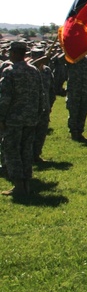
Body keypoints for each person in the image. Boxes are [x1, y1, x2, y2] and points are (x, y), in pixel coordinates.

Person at [0, 41, 44, 198]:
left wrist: (1, 118)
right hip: (31, 119)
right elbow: (41, 95)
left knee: (12, 151)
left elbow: (4, 99)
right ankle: (26, 184)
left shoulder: (10, 71)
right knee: (26, 151)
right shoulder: (34, 71)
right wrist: (38, 115)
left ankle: (18, 186)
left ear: (13, 53)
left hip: (14, 119)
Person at [65, 51, 87, 141]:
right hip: (74, 91)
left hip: (85, 91)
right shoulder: (72, 59)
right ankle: (73, 132)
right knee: (74, 112)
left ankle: (80, 132)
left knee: (83, 112)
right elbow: (58, 61)